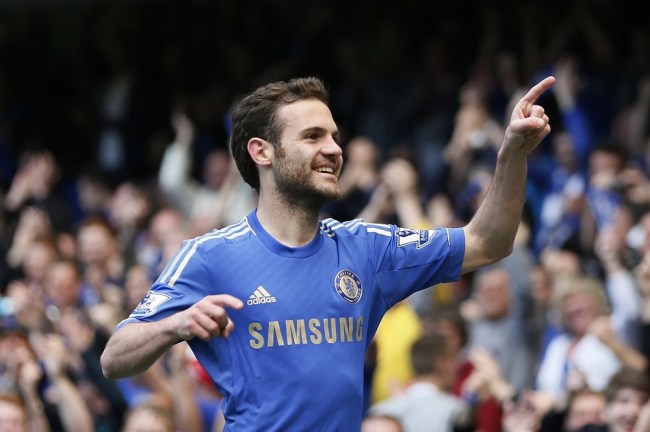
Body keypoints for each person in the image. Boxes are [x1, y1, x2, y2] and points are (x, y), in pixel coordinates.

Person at [101, 75, 556, 430]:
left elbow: (487, 242)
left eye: (335, 136)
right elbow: (115, 357)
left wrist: (512, 153)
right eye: (313, 136)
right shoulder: (207, 256)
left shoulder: (368, 248)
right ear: (262, 152)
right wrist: (175, 324)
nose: (334, 149)